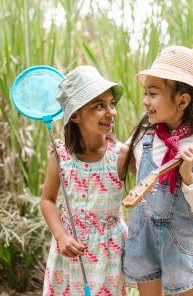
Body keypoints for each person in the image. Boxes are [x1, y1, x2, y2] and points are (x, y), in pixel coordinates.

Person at [123, 45, 193, 296]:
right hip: (144, 244)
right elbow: (114, 161)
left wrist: (189, 177)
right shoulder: (142, 139)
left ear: (183, 100)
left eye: (153, 94)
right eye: (145, 93)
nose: (145, 101)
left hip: (182, 250)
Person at [40, 66, 129, 295]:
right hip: (69, 254)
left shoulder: (121, 156)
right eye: (99, 105)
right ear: (76, 115)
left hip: (108, 255)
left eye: (112, 104)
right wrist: (61, 236)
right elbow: (48, 200)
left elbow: (159, 176)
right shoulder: (60, 156)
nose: (110, 112)